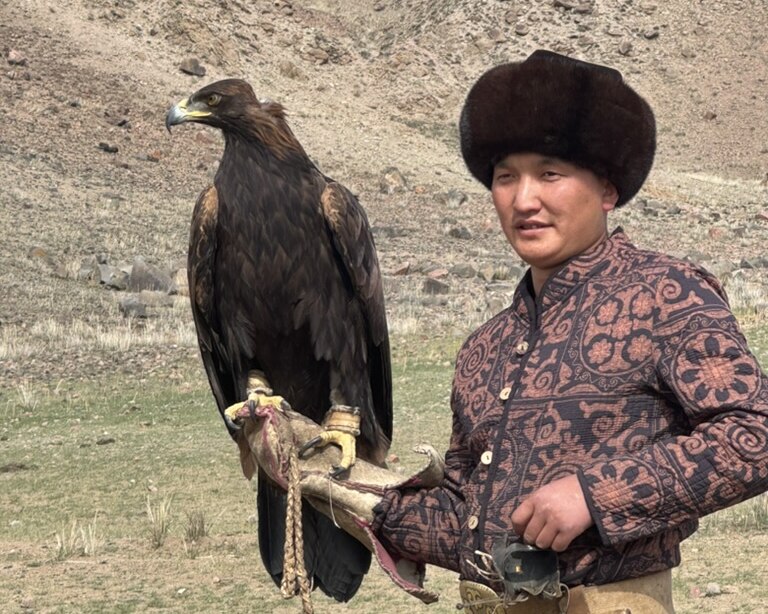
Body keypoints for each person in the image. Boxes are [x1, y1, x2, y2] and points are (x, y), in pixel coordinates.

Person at [363, 49, 768, 613]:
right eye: (506, 178)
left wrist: (594, 494)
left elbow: (756, 434)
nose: (524, 199)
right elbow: (466, 522)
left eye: (549, 174)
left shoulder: (665, 293)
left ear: (606, 190)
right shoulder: (484, 348)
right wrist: (347, 493)